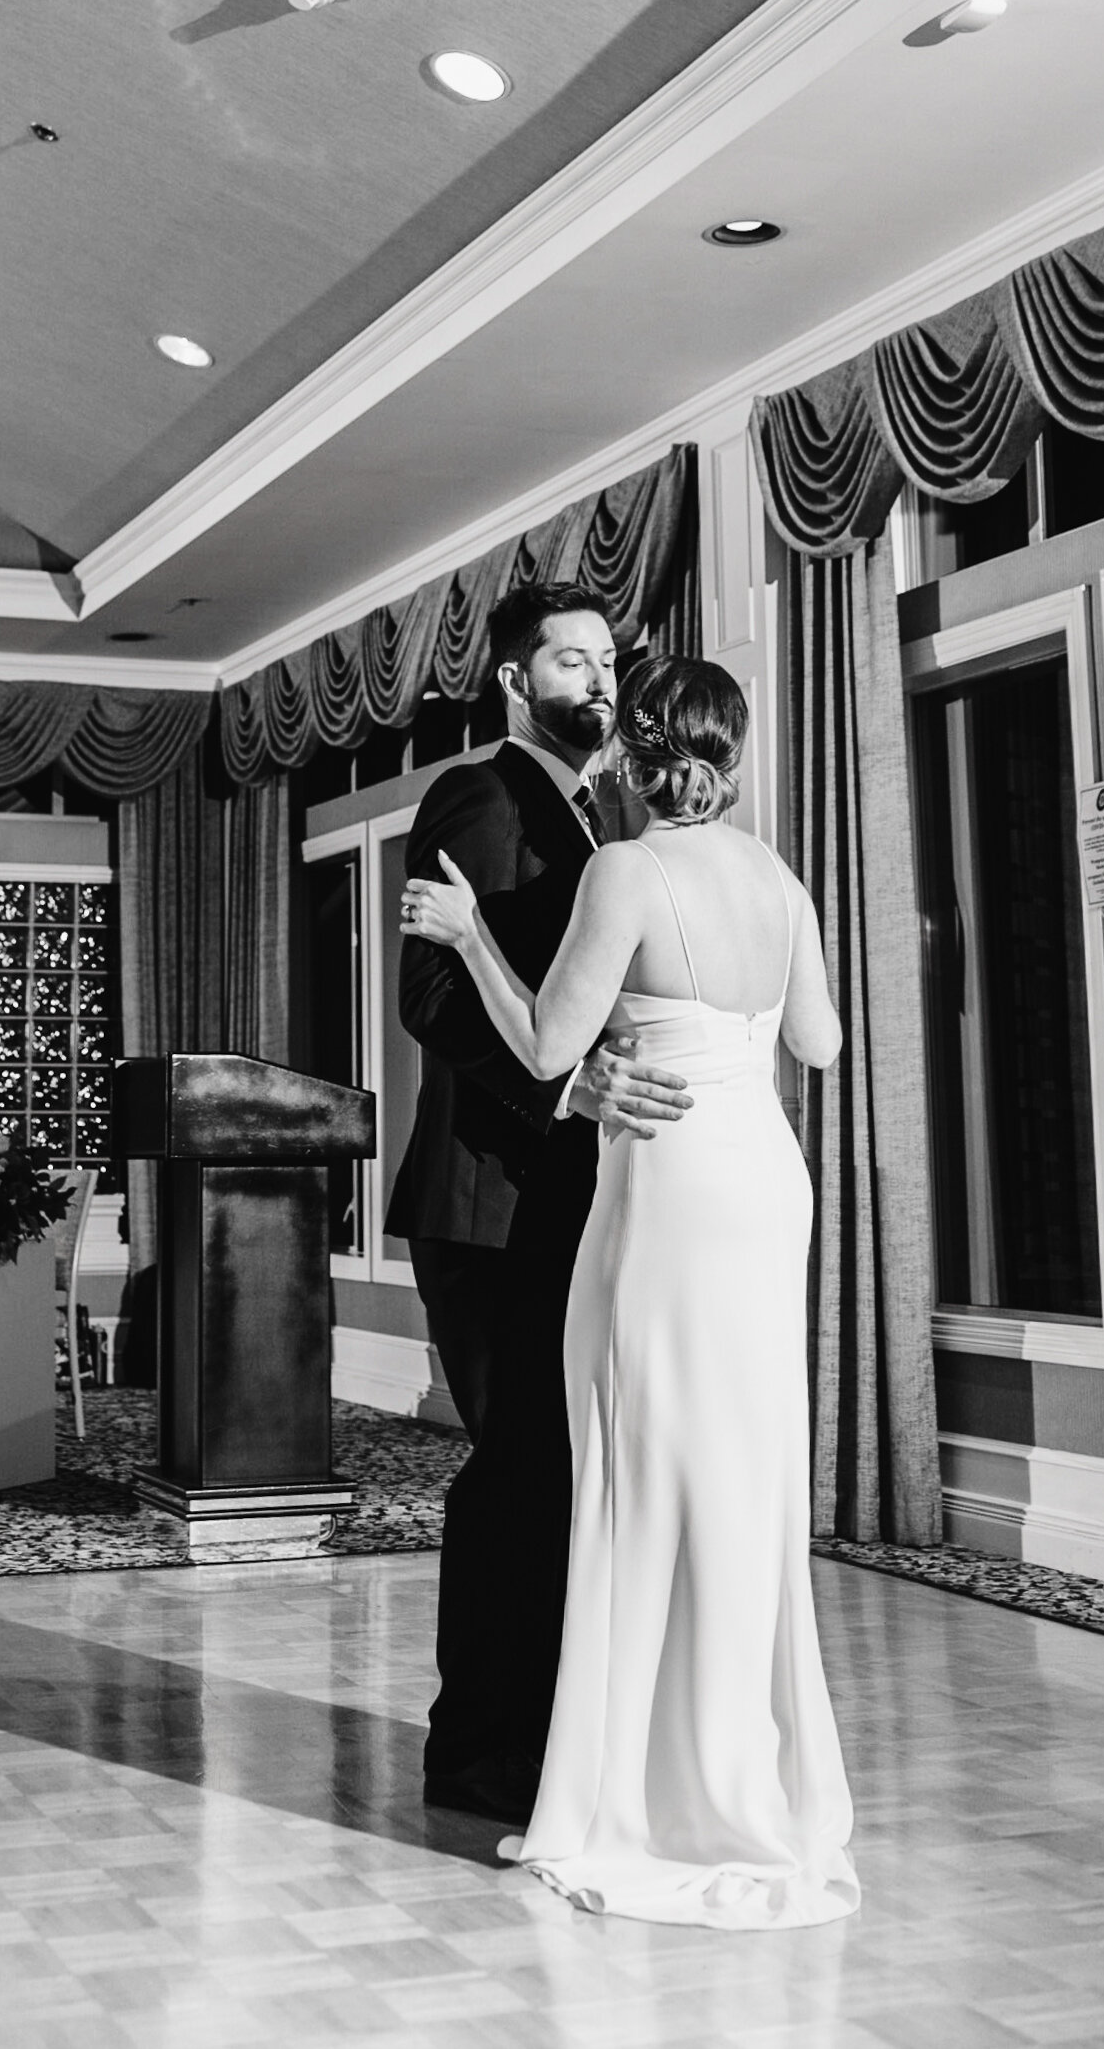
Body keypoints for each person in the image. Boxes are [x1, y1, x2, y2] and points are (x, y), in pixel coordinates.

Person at [401, 653, 859, 1929]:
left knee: (640, 1471)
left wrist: (473, 936)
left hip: (664, 1186)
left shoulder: (622, 869)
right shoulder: (778, 876)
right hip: (763, 1174)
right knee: (742, 1474)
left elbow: (548, 1042)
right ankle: (747, 1773)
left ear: (633, 758)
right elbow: (815, 1043)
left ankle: (640, 1789)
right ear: (737, 753)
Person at [386, 583, 691, 1823]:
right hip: (487, 1206)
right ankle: (474, 1759)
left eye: (607, 659)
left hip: (559, 1205)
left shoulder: (597, 815)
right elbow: (437, 1001)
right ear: (517, 681)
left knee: (557, 1472)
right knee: (515, 1472)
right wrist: (568, 1097)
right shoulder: (481, 794)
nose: (598, 680)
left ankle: (542, 1736)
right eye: (571, 661)